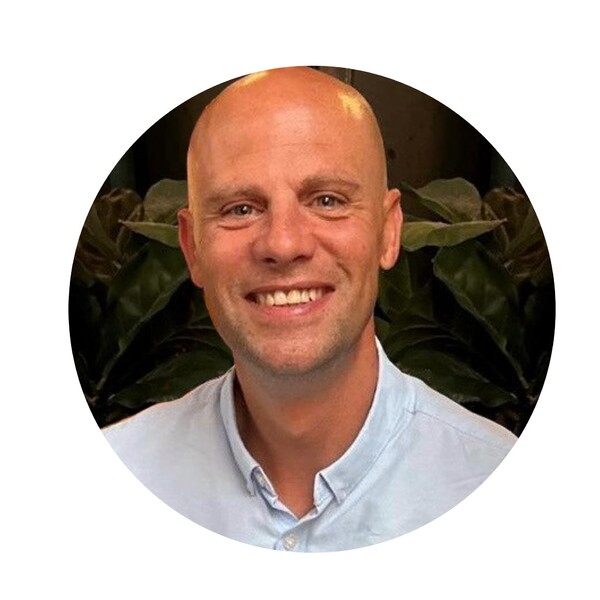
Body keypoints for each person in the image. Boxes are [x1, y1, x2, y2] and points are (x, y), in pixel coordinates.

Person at [104, 67, 517, 552]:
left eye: (326, 200)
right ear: (192, 248)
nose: (283, 244)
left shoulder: (496, 482)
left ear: (388, 232)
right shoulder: (114, 477)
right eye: (240, 209)